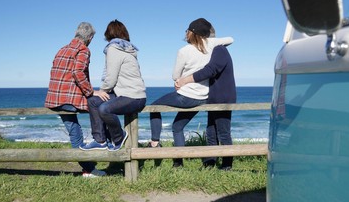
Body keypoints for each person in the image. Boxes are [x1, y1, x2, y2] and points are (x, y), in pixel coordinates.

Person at [148, 18, 233, 168]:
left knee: (153, 107)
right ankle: (178, 163)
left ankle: (155, 142)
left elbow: (175, 76)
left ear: (192, 32)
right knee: (177, 126)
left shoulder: (183, 51)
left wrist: (180, 80)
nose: (185, 33)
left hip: (186, 96)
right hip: (205, 97)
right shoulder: (212, 46)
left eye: (187, 30)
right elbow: (230, 39)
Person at [45, 22, 106, 178]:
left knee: (74, 130)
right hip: (69, 99)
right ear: (90, 37)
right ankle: (95, 161)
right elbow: (78, 72)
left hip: (55, 98)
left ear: (76, 32)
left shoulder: (62, 49)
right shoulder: (83, 50)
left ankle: (89, 166)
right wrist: (92, 92)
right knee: (102, 109)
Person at [80, 19, 146, 151]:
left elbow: (111, 77)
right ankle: (100, 140)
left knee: (104, 109)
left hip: (134, 97)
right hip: (125, 94)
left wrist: (102, 90)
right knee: (93, 101)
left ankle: (119, 137)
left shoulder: (114, 49)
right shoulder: (126, 47)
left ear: (108, 34)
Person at [176, 39, 236, 171]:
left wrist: (185, 80)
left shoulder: (220, 50)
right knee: (211, 132)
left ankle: (227, 165)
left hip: (223, 99)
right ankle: (210, 163)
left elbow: (210, 70)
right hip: (214, 98)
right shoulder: (214, 51)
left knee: (223, 133)